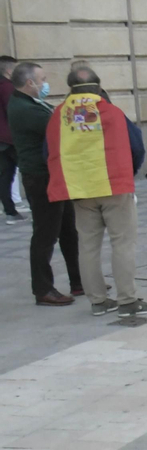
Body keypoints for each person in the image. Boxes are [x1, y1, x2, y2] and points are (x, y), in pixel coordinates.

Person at [45, 66, 147, 317]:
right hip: (114, 186)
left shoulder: (59, 115)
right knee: (123, 243)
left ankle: (98, 302)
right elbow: (137, 146)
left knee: (88, 246)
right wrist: (129, 172)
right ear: (97, 86)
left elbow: (48, 154)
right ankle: (127, 301)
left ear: (70, 87)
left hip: (80, 189)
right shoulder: (112, 112)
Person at [7, 62, 82, 305]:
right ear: (29, 82)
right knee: (45, 235)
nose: (45, 83)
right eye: (42, 79)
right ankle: (43, 289)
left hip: (54, 175)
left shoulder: (33, 103)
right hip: (41, 178)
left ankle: (79, 282)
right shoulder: (24, 108)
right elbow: (62, 128)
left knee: (68, 230)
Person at [0, 55, 24, 225]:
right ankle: (39, 211)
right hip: (10, 137)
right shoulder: (7, 87)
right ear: (9, 70)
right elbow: (14, 112)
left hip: (2, 139)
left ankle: (10, 211)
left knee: (5, 175)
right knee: (30, 171)